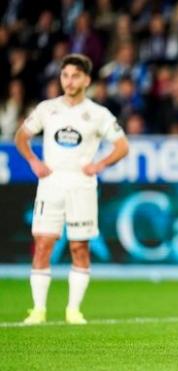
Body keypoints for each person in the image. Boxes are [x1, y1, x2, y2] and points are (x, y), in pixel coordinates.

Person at [14, 54, 129, 324]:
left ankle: (73, 310)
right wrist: (33, 161)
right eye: (65, 75)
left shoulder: (98, 114)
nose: (69, 81)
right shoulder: (47, 108)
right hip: (51, 185)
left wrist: (99, 165)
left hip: (81, 186)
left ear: (87, 80)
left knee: (80, 246)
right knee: (43, 244)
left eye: (75, 75)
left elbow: (122, 145)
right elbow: (21, 136)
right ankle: (38, 310)